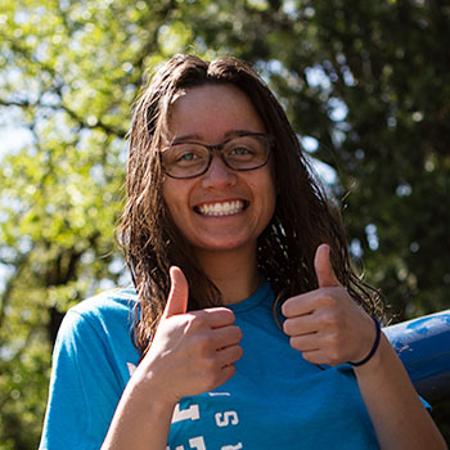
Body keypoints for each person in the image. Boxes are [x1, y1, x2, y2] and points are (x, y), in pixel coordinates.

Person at [39, 54, 446, 450]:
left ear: (276, 168)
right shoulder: (100, 331)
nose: (219, 177)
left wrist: (373, 353)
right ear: (153, 181)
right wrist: (152, 390)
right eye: (187, 156)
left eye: (242, 150)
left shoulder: (335, 324)